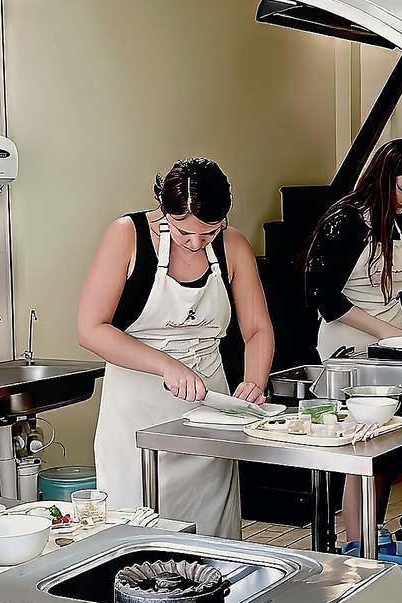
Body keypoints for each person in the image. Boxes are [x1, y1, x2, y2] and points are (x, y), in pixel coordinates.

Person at [78, 157, 275, 538]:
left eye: (208, 233)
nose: (196, 243)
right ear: (164, 209)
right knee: (138, 537)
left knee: (211, 540)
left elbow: (257, 329)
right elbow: (91, 329)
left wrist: (254, 381)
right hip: (135, 416)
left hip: (209, 413)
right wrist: (166, 365)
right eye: (183, 231)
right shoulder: (128, 235)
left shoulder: (232, 246)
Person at [303, 138, 402, 544]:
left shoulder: (401, 220)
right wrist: (388, 335)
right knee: (363, 448)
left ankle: (372, 532)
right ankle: (359, 544)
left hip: (393, 343)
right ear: (382, 178)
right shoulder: (345, 219)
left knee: (389, 446)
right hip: (350, 345)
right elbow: (323, 296)